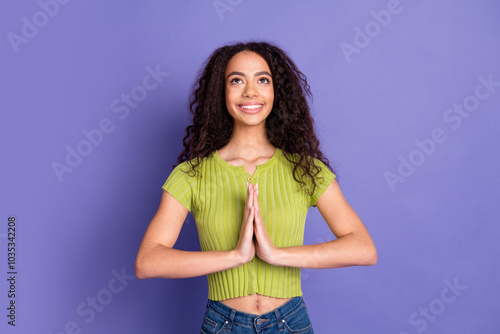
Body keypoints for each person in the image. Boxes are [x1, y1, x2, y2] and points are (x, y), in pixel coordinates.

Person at [135, 41, 377, 333]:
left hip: (290, 323)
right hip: (222, 324)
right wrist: (234, 256)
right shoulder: (191, 175)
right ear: (220, 93)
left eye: (263, 80)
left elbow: (363, 249)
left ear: (277, 92)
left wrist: (277, 255)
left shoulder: (306, 171)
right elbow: (148, 262)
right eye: (236, 80)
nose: (250, 91)